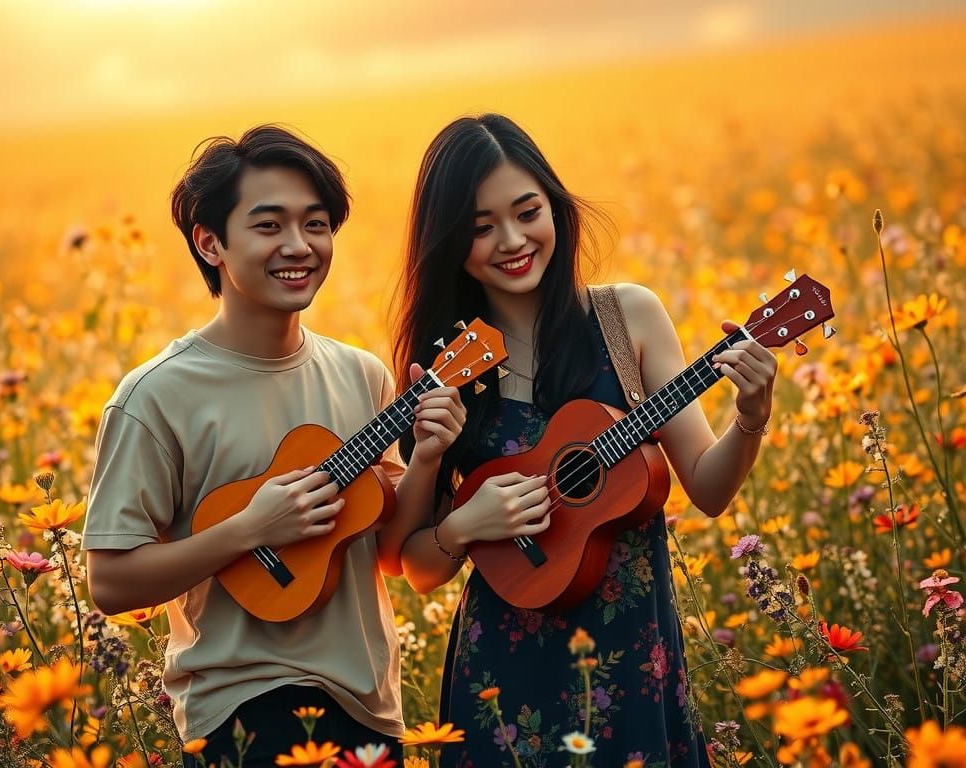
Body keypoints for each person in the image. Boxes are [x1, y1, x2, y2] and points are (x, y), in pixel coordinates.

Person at [393, 114, 778, 767]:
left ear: (556, 209)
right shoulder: (451, 364)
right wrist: (464, 524)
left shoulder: (626, 319)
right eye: (481, 227)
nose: (511, 240)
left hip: (632, 655)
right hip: (502, 675)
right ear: (450, 240)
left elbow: (709, 490)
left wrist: (750, 416)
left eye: (527, 211)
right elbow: (418, 566)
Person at [82, 125, 466, 766]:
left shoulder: (361, 375)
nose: (299, 246)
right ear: (211, 243)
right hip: (239, 711)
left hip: (367, 704)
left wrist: (426, 454)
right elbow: (111, 582)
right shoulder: (154, 396)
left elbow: (391, 550)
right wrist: (248, 529)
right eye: (269, 226)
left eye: (316, 225)